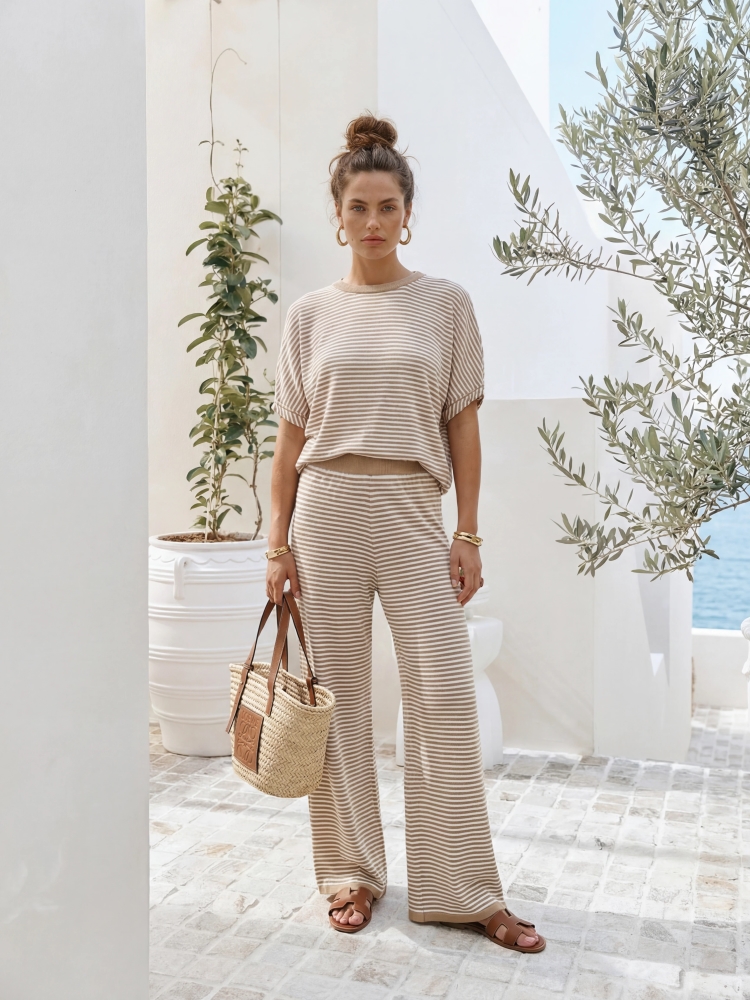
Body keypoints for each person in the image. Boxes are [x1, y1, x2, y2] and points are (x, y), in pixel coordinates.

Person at [265, 114, 544, 953]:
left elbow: (463, 426)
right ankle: (349, 872)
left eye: (388, 206)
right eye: (359, 206)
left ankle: (463, 888)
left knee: (445, 696)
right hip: (326, 512)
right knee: (337, 699)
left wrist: (470, 533)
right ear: (338, 215)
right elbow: (288, 444)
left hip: (413, 509)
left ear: (408, 213)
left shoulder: (445, 306)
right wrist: (276, 544)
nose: (374, 221)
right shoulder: (310, 316)